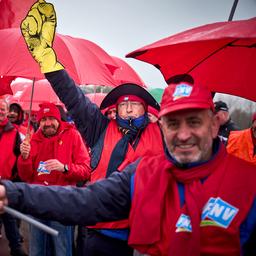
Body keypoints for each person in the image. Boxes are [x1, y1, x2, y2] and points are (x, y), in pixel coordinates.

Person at [1, 77, 256, 255]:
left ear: (214, 125)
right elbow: (85, 201)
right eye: (174, 124)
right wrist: (11, 192)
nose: (184, 134)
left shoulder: (248, 186)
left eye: (194, 122)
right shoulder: (144, 172)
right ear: (163, 127)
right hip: (101, 234)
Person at [20, 2, 164, 255]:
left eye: (135, 105)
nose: (129, 109)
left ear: (147, 110)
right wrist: (47, 59)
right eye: (123, 105)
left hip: (145, 239)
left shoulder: (162, 134)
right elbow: (72, 97)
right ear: (114, 111)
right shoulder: (99, 127)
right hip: (100, 233)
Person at [18, 102, 91, 256]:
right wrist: (24, 158)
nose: (48, 123)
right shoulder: (32, 139)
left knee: (62, 250)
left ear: (59, 119)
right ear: (39, 122)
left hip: (62, 202)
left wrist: (64, 168)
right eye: (44, 120)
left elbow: (85, 170)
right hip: (37, 202)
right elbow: (25, 176)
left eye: (51, 118)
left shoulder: (73, 135)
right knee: (37, 251)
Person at [0, 99, 27, 256]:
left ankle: (16, 248)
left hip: (6, 181)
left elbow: (20, 158)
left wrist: (25, 154)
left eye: (3, 109)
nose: (1, 112)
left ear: (7, 112)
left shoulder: (15, 133)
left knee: (9, 217)